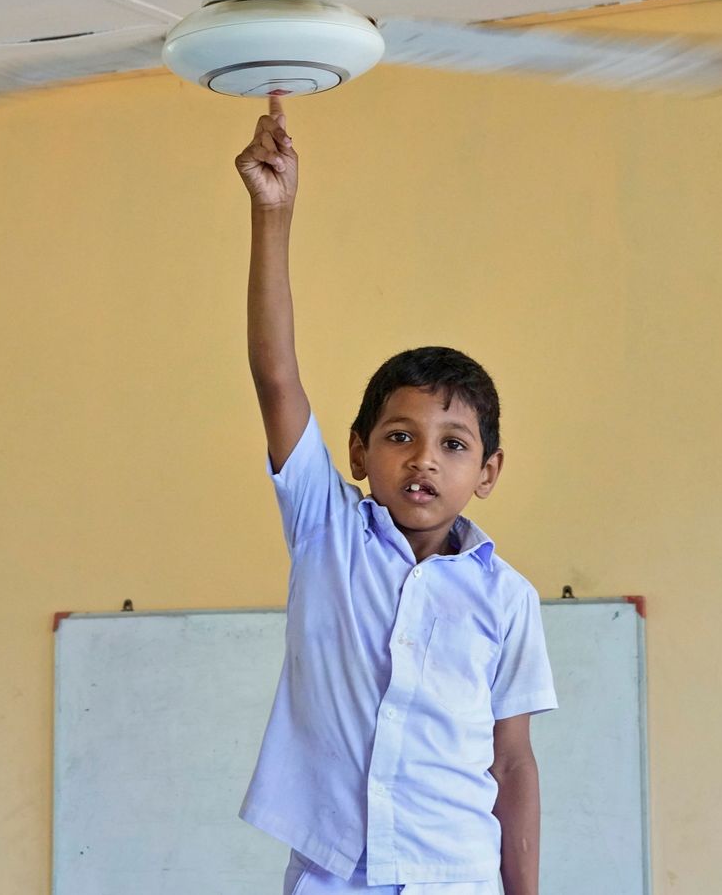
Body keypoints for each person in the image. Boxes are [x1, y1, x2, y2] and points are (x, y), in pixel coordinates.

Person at [234, 96, 559, 895]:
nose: (423, 460)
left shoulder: (507, 599)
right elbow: (277, 378)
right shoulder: (325, 531)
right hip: (331, 876)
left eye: (453, 445)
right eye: (399, 435)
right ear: (358, 451)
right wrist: (274, 214)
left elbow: (511, 761)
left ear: (487, 472)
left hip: (457, 878)